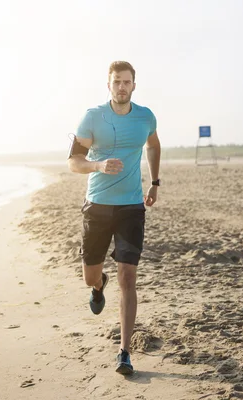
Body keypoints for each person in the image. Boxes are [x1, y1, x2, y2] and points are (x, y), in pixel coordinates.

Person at [67, 61, 161, 374]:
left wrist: (155, 181)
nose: (122, 87)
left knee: (128, 277)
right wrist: (98, 165)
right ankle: (98, 285)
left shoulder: (145, 116)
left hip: (131, 207)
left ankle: (125, 352)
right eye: (116, 82)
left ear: (134, 85)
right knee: (90, 277)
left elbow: (153, 144)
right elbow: (74, 161)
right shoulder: (93, 117)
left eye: (127, 82)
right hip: (97, 206)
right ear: (108, 85)